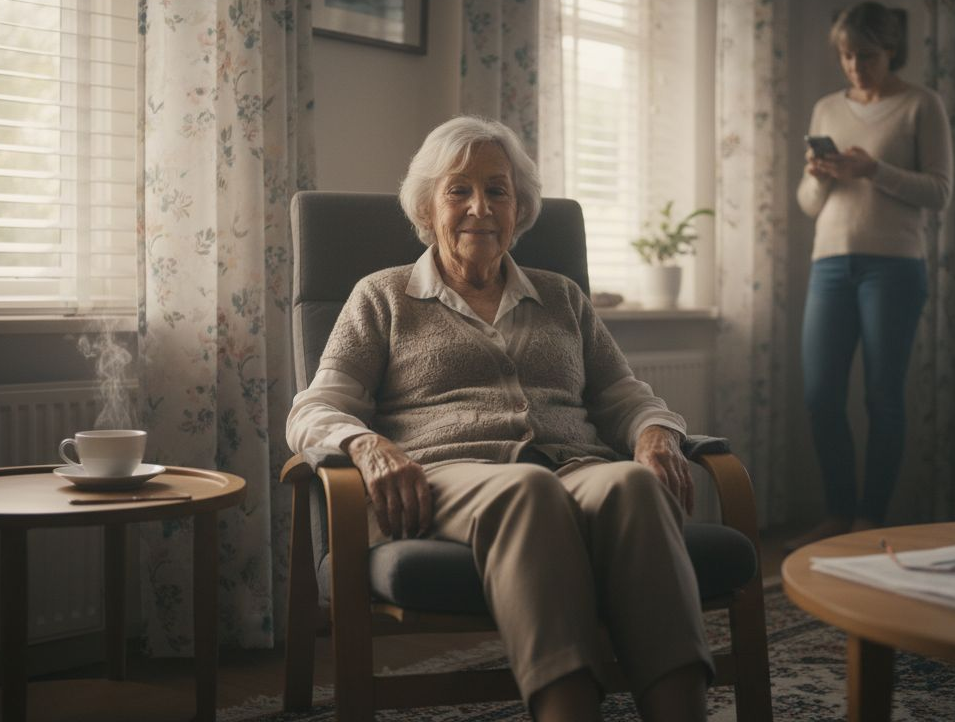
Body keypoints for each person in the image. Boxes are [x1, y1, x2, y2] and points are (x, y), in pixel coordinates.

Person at [285, 115, 712, 722]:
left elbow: (624, 394)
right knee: (528, 487)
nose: (479, 206)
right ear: (429, 209)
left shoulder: (561, 296)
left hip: (574, 467)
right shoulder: (383, 296)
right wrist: (368, 446)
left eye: (497, 189)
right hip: (444, 479)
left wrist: (654, 432)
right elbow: (315, 406)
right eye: (459, 190)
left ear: (520, 208)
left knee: (633, 483)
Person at [788, 2, 953, 551]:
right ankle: (837, 511)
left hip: (895, 267)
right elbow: (809, 205)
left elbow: (939, 192)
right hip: (830, 264)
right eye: (846, 56)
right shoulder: (825, 109)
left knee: (883, 397)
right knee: (819, 396)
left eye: (868, 56)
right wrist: (821, 176)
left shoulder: (920, 104)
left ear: (891, 52)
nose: (856, 67)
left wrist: (872, 170)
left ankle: (870, 517)